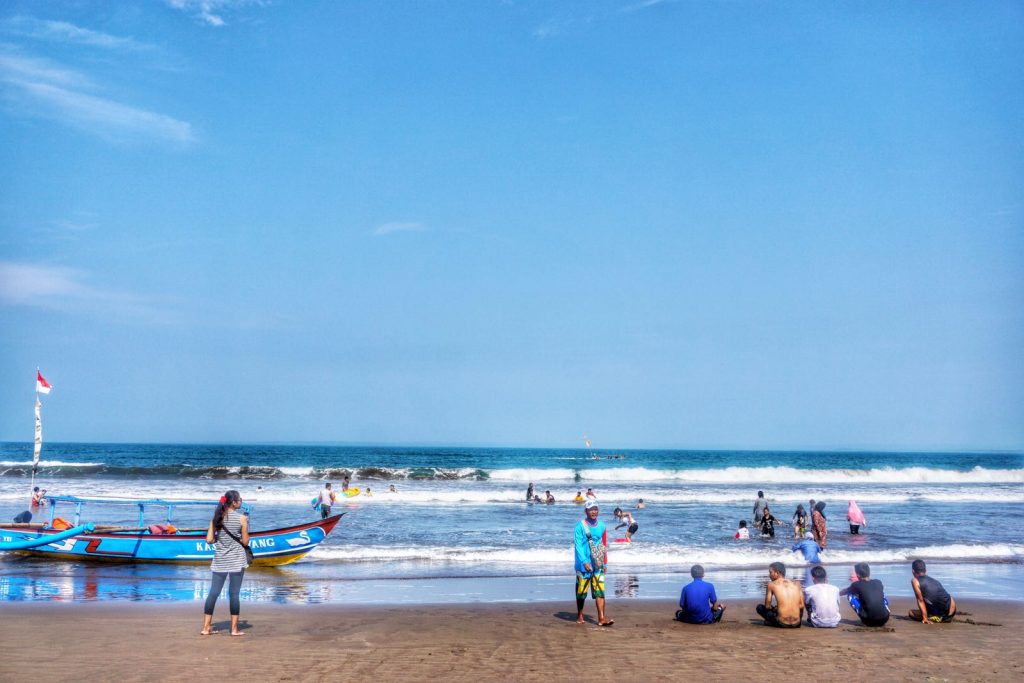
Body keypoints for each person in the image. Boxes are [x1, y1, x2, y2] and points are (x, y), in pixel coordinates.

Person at [201, 490, 249, 636]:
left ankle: (206, 628)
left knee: (213, 593)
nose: (241, 501)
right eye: (240, 499)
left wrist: (219, 539)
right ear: (233, 502)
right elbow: (246, 542)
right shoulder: (242, 519)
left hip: (220, 560)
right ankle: (234, 629)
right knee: (234, 594)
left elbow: (209, 540)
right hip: (236, 560)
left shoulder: (216, 518)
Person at [574, 500, 612, 626]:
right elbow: (578, 545)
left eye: (595, 509)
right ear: (586, 511)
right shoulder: (580, 526)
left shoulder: (602, 525)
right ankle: (580, 614)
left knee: (600, 591)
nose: (594, 511)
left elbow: (603, 545)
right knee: (581, 593)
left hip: (597, 564)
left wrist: (605, 563)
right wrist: (584, 561)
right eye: (591, 509)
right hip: (583, 565)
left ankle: (601, 618)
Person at [840, 562, 890, 627]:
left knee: (850, 595)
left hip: (869, 621)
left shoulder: (856, 585)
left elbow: (844, 592)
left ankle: (864, 619)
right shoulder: (878, 582)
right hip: (885, 618)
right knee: (881, 595)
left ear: (858, 575)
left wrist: (834, 593)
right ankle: (883, 611)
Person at [755, 562, 803, 627]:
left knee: (760, 607)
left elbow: (767, 606)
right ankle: (797, 621)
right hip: (796, 624)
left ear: (776, 573)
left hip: (782, 623)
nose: (769, 575)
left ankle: (771, 622)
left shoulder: (771, 584)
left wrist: (775, 609)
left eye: (770, 572)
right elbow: (801, 606)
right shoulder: (797, 583)